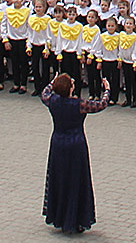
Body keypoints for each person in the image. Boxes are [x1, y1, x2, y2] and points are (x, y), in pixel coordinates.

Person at [41, 71, 110, 234]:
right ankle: (77, 218)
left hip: (58, 143)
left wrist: (52, 82)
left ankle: (59, 216)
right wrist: (107, 89)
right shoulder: (78, 104)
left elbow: (44, 92)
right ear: (70, 89)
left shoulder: (53, 101)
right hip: (76, 145)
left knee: (60, 179)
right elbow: (101, 104)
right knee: (76, 180)